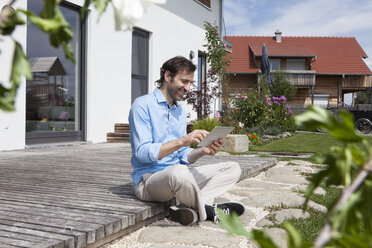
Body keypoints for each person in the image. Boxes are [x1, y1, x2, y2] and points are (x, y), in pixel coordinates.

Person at [129, 56, 244, 225]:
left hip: (178, 176)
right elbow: (142, 153)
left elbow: (182, 155)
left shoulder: (179, 112)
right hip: (149, 181)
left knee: (232, 168)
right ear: (168, 76)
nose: (188, 88)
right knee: (179, 172)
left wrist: (202, 151)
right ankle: (209, 210)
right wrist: (183, 140)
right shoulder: (142, 105)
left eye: (190, 83)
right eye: (184, 81)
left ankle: (189, 208)